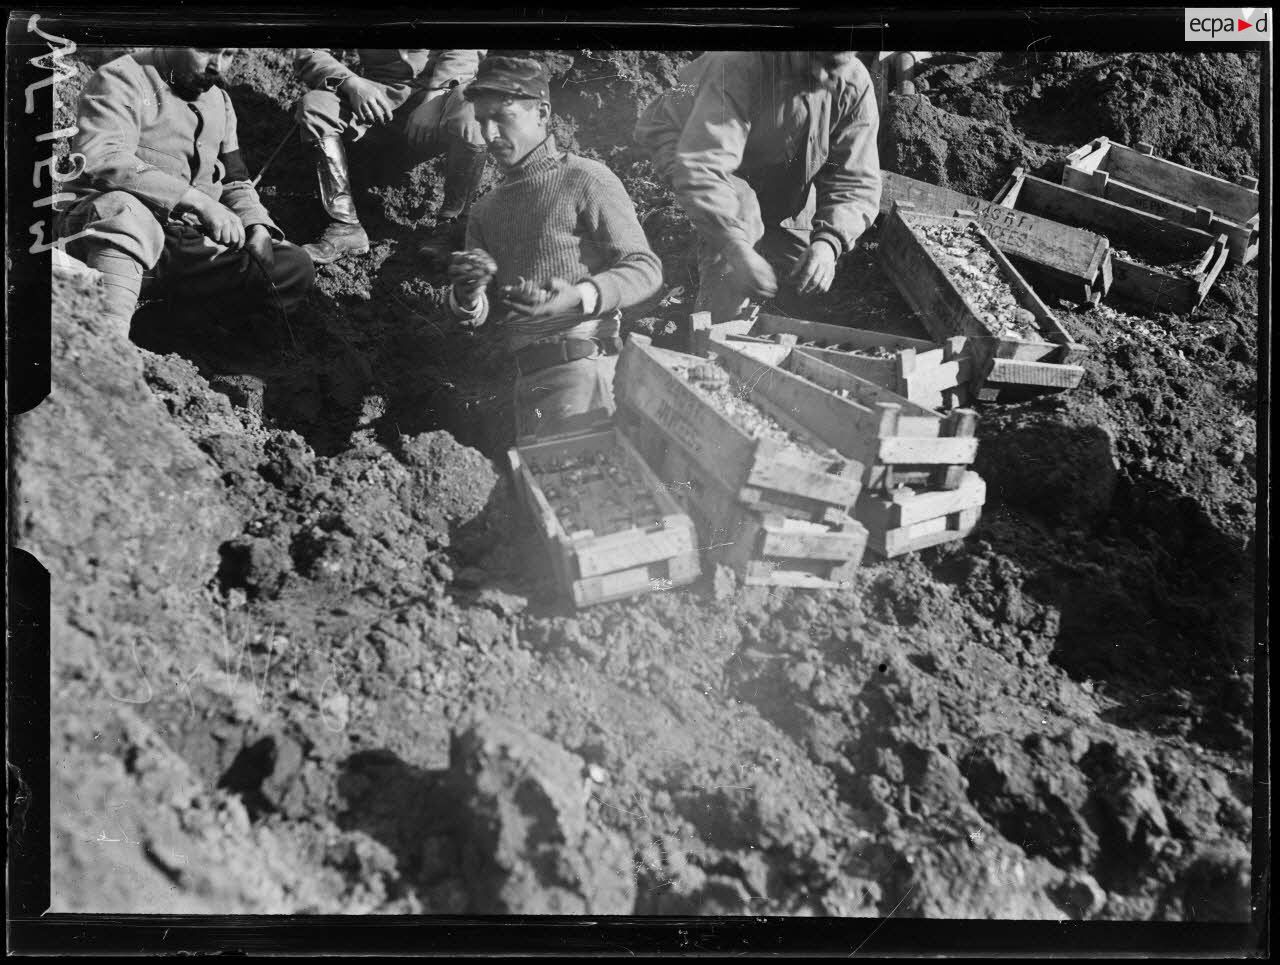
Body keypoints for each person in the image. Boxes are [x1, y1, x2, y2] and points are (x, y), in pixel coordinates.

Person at [445, 56, 663, 440]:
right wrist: (467, 294)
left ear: (542, 113)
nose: (489, 133)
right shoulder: (485, 210)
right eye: (481, 121)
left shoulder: (585, 179)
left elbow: (644, 268)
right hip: (527, 386)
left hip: (587, 374)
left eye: (502, 117)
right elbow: (483, 312)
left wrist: (577, 296)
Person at [56, 47, 315, 338]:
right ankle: (110, 343)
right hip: (102, 234)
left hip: (181, 245)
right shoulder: (122, 78)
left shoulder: (221, 102)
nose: (218, 66)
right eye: (207, 50)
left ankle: (165, 331)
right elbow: (101, 156)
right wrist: (198, 202)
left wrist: (256, 225)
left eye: (229, 54)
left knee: (293, 266)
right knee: (126, 210)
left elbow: (235, 179)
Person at [634, 50, 882, 323]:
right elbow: (706, 166)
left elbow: (856, 178)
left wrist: (828, 243)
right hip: (693, 144)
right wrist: (735, 247)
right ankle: (712, 337)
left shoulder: (855, 83)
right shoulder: (738, 64)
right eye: (815, 58)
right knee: (741, 225)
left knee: (805, 270)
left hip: (779, 168)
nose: (823, 75)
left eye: (833, 65)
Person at [293, 48, 488, 265]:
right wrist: (351, 82)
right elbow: (308, 51)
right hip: (379, 102)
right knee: (315, 105)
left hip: (444, 99)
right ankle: (345, 227)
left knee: (473, 102)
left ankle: (452, 225)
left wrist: (435, 96)